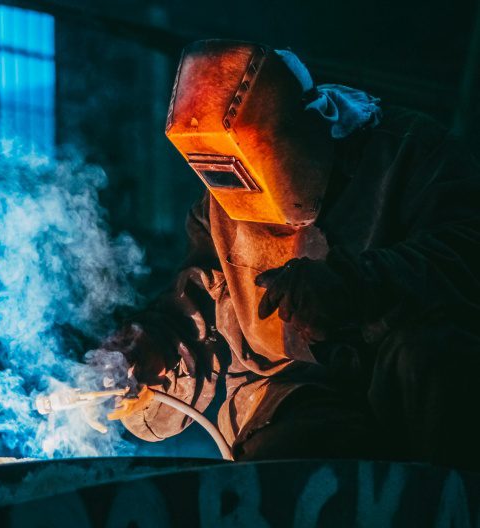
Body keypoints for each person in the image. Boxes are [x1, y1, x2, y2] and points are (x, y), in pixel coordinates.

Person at [105, 39, 480, 469]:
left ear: (305, 129)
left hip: (407, 388)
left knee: (433, 365)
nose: (242, 201)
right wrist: (149, 352)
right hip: (297, 397)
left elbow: (465, 253)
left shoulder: (411, 154)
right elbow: (199, 312)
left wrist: (359, 286)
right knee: (284, 469)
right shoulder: (220, 205)